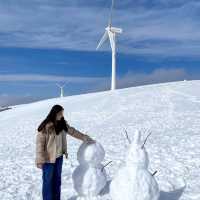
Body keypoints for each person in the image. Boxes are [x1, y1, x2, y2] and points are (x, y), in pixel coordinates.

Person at [35, 104, 95, 200]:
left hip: (59, 158)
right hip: (48, 159)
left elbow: (73, 132)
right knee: (48, 182)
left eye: (62, 113)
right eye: (60, 113)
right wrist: (39, 160)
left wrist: (84, 137)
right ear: (55, 113)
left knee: (57, 181)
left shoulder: (63, 124)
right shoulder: (46, 126)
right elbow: (39, 144)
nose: (62, 115)